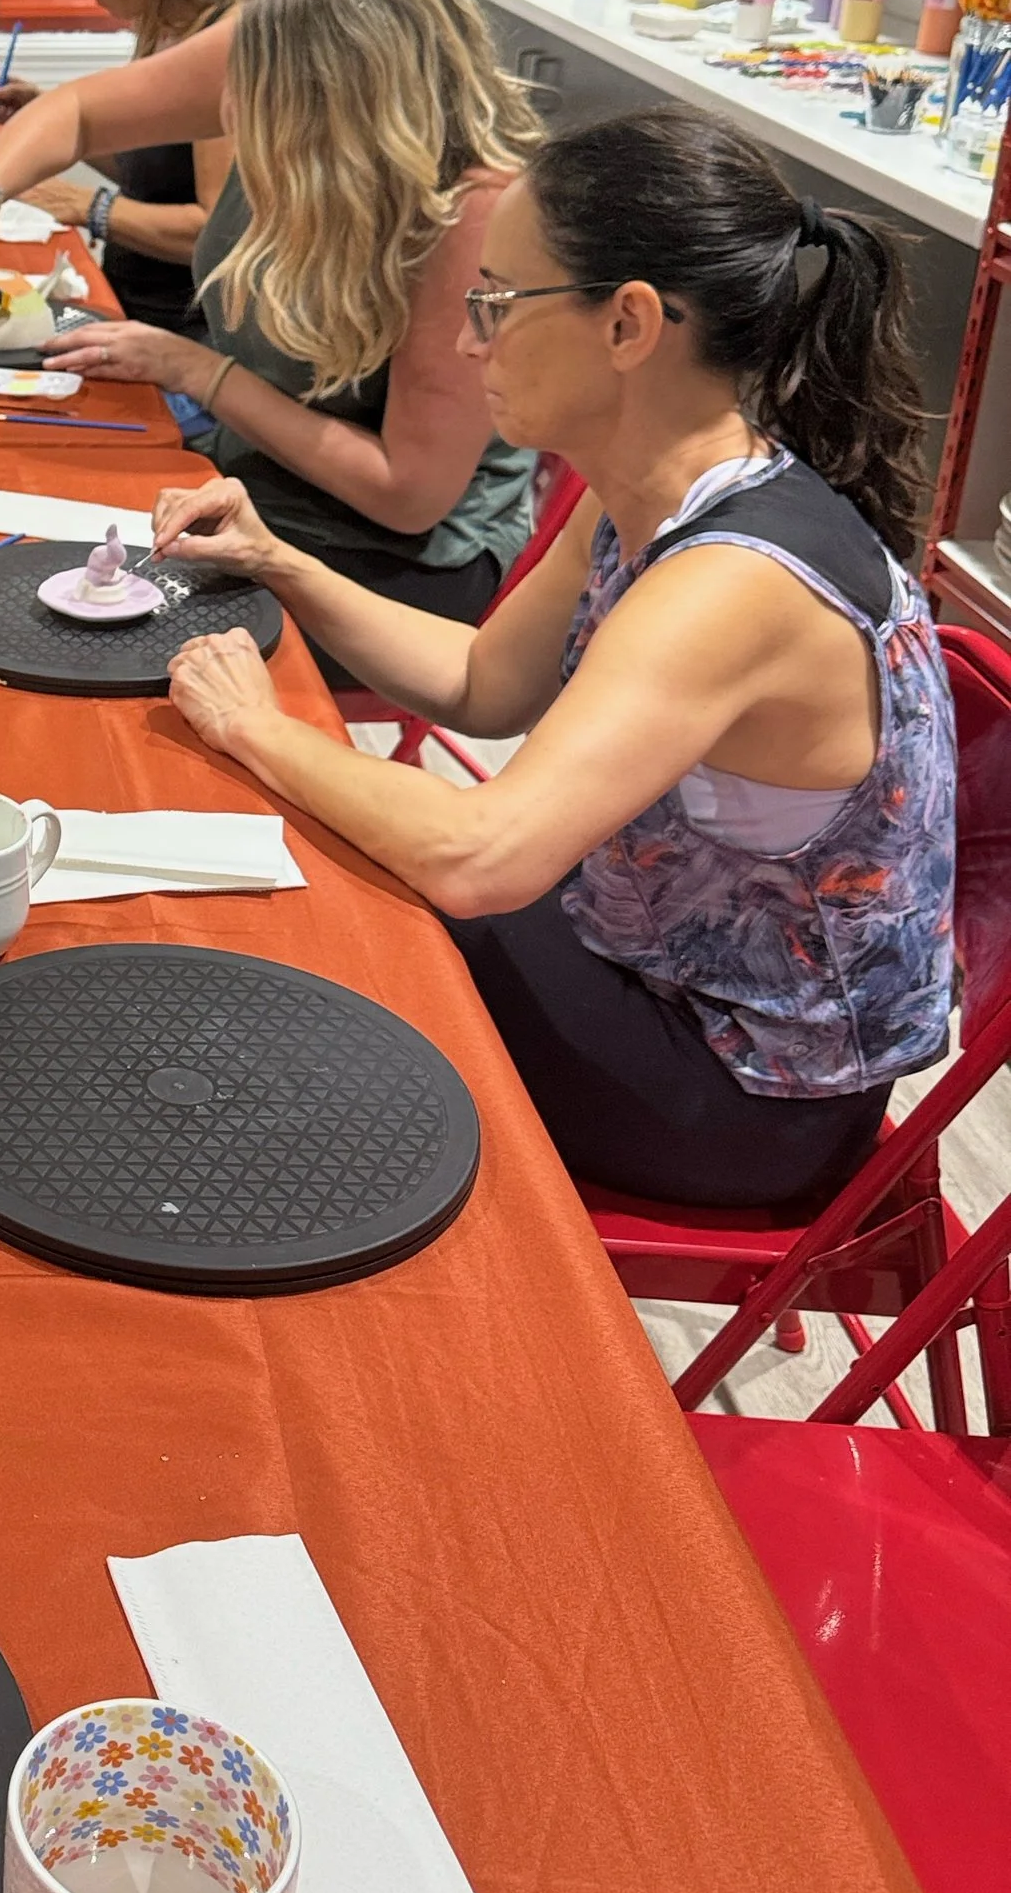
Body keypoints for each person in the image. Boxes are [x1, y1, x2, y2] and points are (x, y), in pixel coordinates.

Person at [153, 110, 953, 1213]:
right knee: (326, 885)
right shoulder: (650, 489)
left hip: (739, 1090)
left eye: (497, 303)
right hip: (645, 973)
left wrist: (254, 727)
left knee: (324, 938)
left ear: (627, 324)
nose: (471, 340)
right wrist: (277, 561)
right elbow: (486, 682)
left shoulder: (735, 582)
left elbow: (482, 858)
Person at [0, 0, 542, 645]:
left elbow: (406, 494)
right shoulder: (270, 51)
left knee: (85, 623)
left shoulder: (471, 219)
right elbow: (79, 111)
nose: (232, 117)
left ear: (348, 115)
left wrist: (198, 369)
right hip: (253, 476)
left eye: (262, 108)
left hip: (395, 562)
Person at [0, 0, 239, 333]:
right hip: (133, 315)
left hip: (187, 346)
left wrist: (88, 206)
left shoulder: (223, 44)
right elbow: (158, 177)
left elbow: (213, 228)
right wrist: (64, 129)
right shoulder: (162, 26)